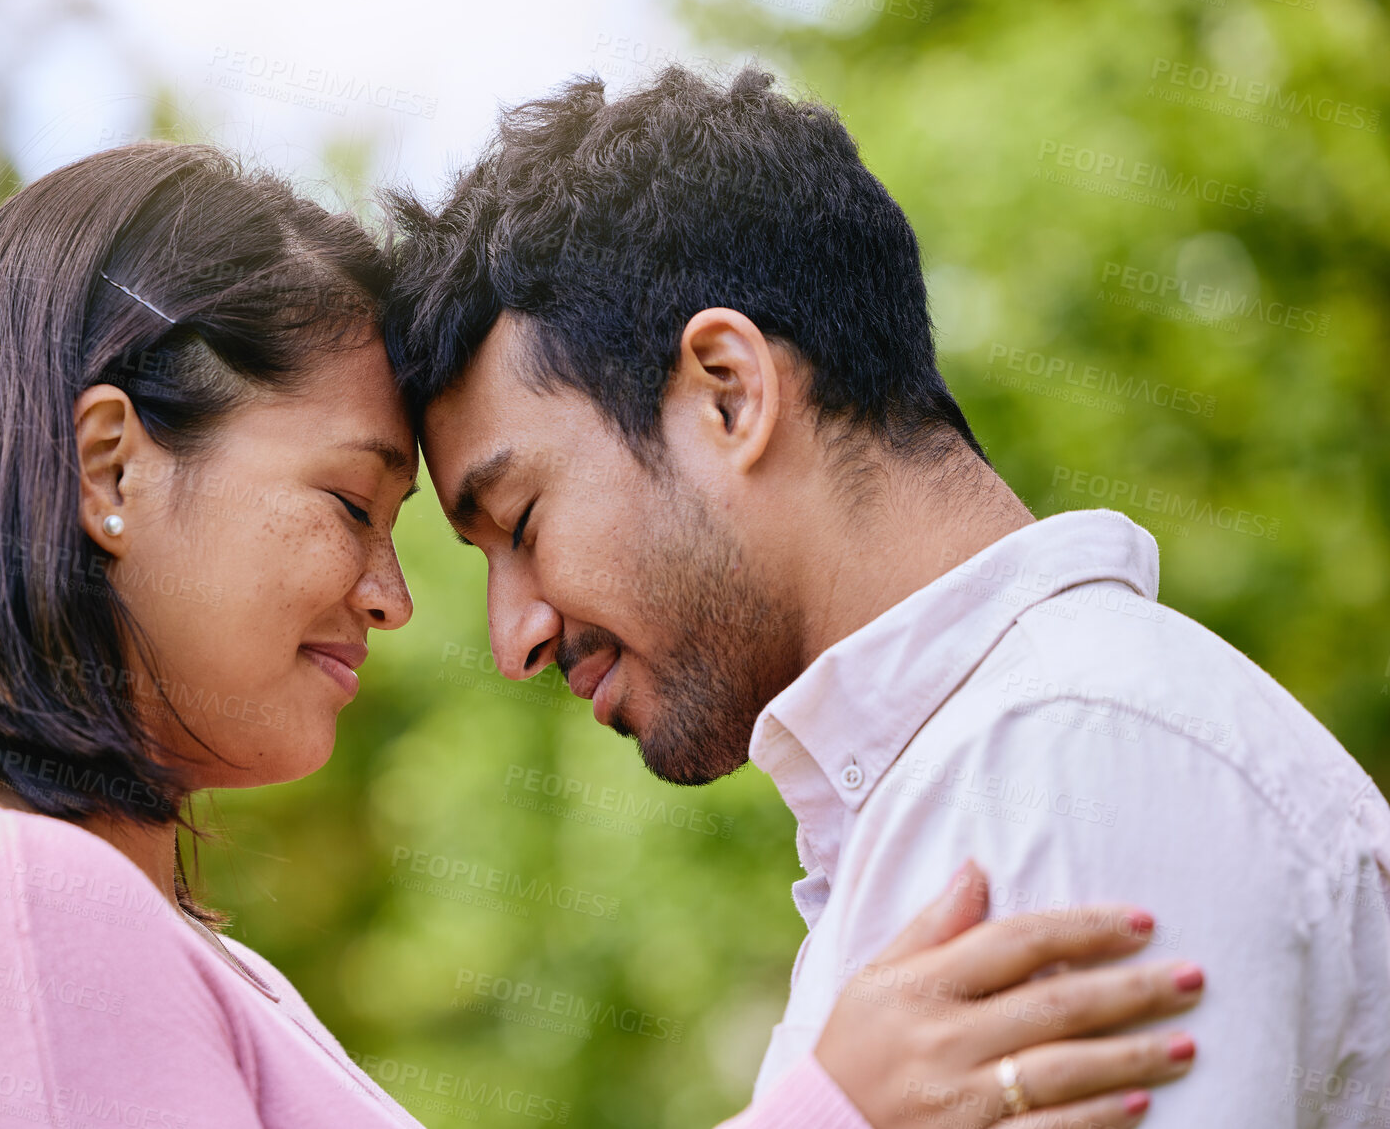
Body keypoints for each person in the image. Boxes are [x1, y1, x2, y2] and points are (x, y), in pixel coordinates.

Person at [0, 142, 1201, 1129]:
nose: (396, 596)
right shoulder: (3, 910)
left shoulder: (74, 911)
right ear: (112, 469)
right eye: (347, 501)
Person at [382, 66, 1390, 1128]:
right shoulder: (955, 786)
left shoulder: (1065, 761)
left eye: (522, 523)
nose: (514, 636)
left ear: (728, 391)